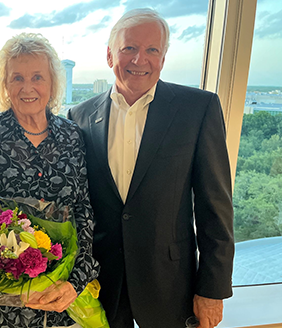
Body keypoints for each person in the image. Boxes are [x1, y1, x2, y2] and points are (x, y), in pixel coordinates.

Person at [68, 8, 234, 328]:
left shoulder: (198, 109)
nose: (139, 59)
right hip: (101, 288)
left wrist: (212, 291)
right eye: (129, 48)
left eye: (152, 50)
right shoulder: (80, 116)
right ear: (109, 55)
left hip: (171, 287)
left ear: (163, 57)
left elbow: (216, 208)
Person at [0, 32, 100, 328]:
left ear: (52, 83)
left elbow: (83, 210)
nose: (27, 88)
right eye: (17, 78)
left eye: (38, 77)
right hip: (5, 298)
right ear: (5, 84)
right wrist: (22, 283)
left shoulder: (72, 135)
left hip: (64, 294)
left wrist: (76, 281)